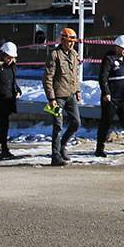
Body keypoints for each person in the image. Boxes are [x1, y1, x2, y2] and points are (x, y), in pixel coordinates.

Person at [43, 27, 82, 166]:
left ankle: (63, 145)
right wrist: (51, 99)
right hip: (58, 97)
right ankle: (56, 155)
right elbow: (48, 78)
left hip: (70, 95)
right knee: (58, 125)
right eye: (68, 41)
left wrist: (77, 90)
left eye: (73, 42)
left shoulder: (74, 55)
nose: (71, 44)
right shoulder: (54, 55)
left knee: (76, 122)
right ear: (63, 40)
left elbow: (75, 75)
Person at [0, 42, 21, 161]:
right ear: (2, 55)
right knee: (2, 126)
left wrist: (17, 90)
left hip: (8, 100)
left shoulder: (12, 67)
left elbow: (12, 82)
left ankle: (3, 149)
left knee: (4, 126)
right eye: (8, 57)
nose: (10, 60)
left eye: (12, 58)